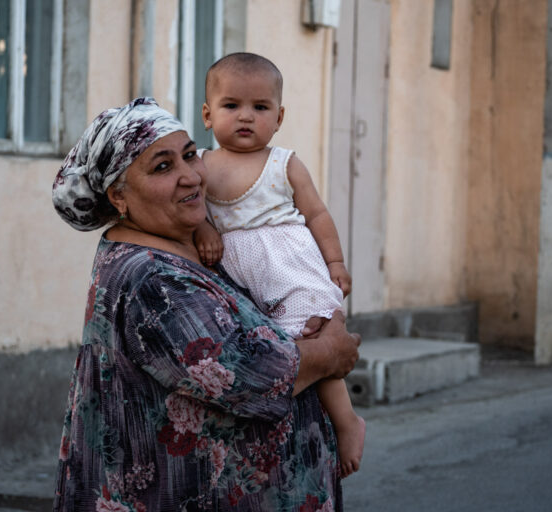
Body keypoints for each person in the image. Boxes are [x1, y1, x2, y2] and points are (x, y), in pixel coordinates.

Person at [51, 97, 361, 511]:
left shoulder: (197, 247)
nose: (190, 177)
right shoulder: (151, 278)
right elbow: (245, 374)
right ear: (119, 197)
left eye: (190, 155)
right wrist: (329, 353)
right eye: (163, 166)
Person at [193, 53, 366, 477]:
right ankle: (270, 442)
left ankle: (347, 423)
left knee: (313, 337)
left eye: (261, 107)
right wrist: (205, 231)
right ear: (208, 114)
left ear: (280, 116)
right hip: (241, 279)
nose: (246, 117)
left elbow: (317, 215)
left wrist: (336, 262)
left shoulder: (284, 163)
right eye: (232, 106)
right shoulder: (199, 165)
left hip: (290, 271)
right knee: (268, 356)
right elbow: (193, 213)